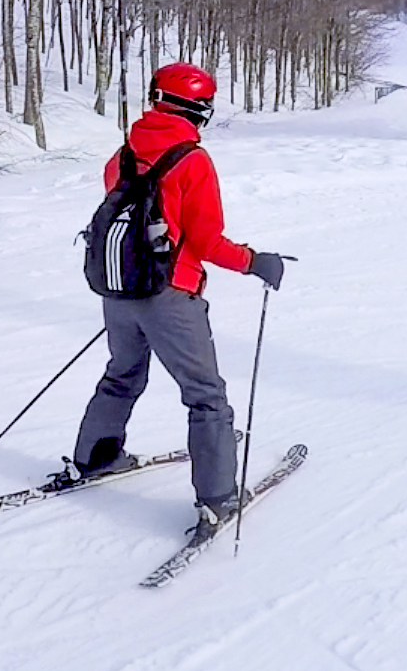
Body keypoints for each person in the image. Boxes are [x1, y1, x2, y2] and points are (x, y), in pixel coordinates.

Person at [58, 62, 285, 537]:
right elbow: (205, 242)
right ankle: (219, 497)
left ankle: (94, 458)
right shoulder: (193, 161)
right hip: (170, 295)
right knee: (206, 396)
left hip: (119, 289)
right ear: (199, 108)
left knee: (121, 376)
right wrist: (255, 261)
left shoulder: (123, 154)